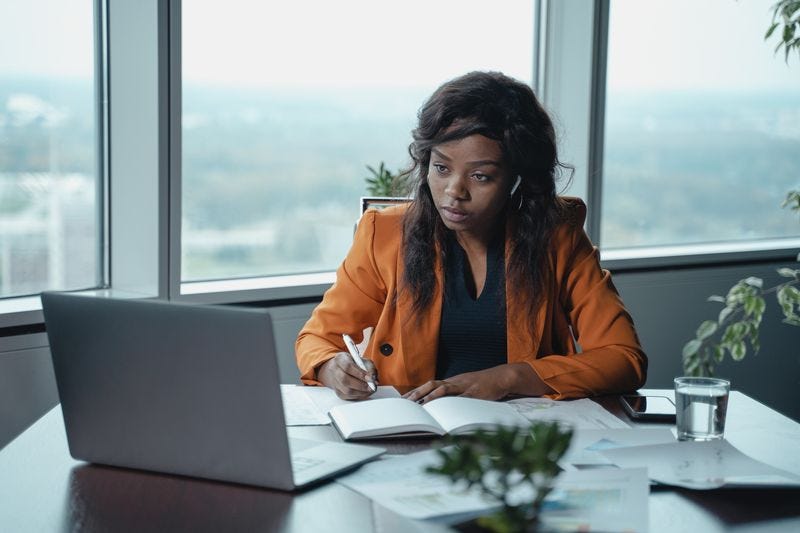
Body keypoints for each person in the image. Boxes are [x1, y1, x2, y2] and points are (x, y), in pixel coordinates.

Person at [295, 71, 647, 403]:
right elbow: (317, 339)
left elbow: (624, 358)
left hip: (519, 438)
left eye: (480, 176)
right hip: (412, 426)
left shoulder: (558, 238)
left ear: (517, 178)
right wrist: (331, 367)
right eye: (441, 168)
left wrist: (507, 379)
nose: (453, 191)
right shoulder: (384, 235)